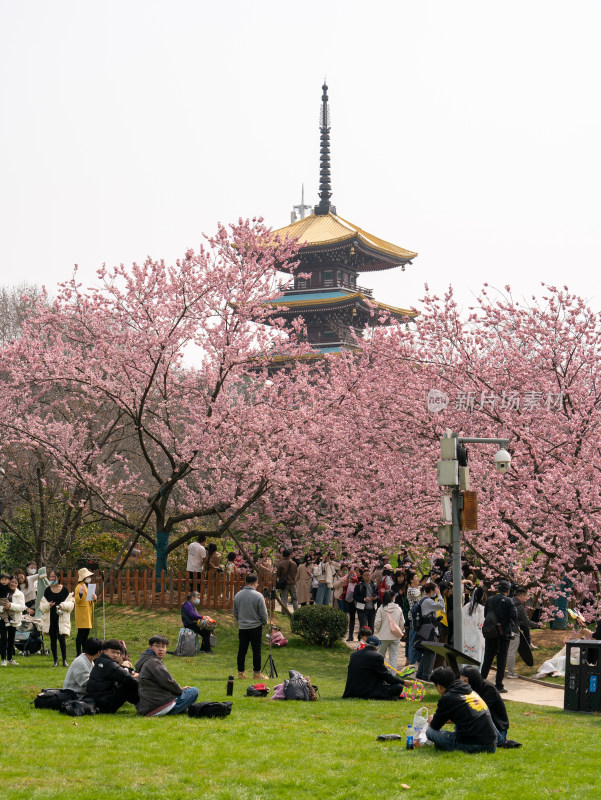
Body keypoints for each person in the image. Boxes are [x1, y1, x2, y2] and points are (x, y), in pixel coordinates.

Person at [425, 666, 497, 753]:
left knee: (430, 732)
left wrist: (432, 719)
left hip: (472, 745)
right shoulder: (469, 690)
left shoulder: (448, 697)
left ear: (439, 686)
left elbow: (435, 725)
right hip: (492, 744)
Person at [135, 635, 199, 716]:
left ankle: (183, 708)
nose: (161, 649)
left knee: (183, 694)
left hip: (148, 705)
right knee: (193, 691)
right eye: (157, 646)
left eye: (163, 646)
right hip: (158, 706)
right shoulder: (153, 662)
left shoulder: (145, 660)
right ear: (150, 647)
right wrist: (181, 690)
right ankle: (180, 709)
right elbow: (168, 682)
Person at [459, 665, 521, 748]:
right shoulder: (469, 691)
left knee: (477, 715)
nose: (463, 684)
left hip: (498, 734)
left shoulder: (488, 689)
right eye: (461, 682)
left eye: (466, 681)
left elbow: (476, 713)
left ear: (473, 680)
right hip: (482, 730)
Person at [342, 635, 412, 700]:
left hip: (352, 691)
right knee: (398, 687)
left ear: (366, 644)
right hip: (368, 691)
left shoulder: (354, 655)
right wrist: (403, 682)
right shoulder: (376, 657)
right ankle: (390, 696)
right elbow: (387, 677)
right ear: (377, 647)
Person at [481, 580, 518, 692]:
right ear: (507, 590)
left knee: (487, 658)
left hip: (490, 633)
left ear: (497, 589)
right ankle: (499, 685)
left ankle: (481, 682)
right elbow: (514, 616)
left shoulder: (489, 600)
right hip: (503, 634)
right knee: (501, 660)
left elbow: (485, 614)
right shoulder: (508, 601)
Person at [86, 639, 140, 713]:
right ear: (105, 651)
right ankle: (146, 706)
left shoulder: (100, 661)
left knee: (126, 683)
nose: (116, 655)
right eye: (113, 652)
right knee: (128, 685)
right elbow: (128, 678)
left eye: (118, 653)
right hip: (104, 705)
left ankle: (142, 704)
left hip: (96, 702)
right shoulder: (109, 664)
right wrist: (144, 686)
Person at [232, 573, 268, 680]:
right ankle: (257, 673)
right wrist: (263, 622)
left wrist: (240, 620)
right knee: (256, 650)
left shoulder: (238, 595)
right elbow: (263, 613)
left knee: (242, 650)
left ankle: (240, 673)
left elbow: (235, 612)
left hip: (243, 627)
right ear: (255, 583)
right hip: (255, 626)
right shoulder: (258, 596)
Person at [40, 569, 74, 667]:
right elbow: (42, 605)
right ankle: (55, 660)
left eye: (53, 577)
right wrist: (48, 605)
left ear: (58, 578)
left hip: (61, 618)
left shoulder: (64, 589)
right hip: (51, 618)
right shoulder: (47, 590)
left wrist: (63, 605)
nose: (51, 578)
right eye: (50, 577)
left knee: (61, 639)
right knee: (53, 640)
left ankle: (64, 660)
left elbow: (71, 603)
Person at [414, 582, 446, 681]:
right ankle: (426, 677)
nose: (436, 592)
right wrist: (439, 595)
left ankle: (420, 675)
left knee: (427, 652)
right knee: (430, 652)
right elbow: (441, 606)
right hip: (428, 630)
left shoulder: (423, 600)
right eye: (435, 590)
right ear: (432, 591)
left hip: (425, 628)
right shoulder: (427, 601)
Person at [506, 586, 533, 678]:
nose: (525, 599)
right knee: (511, 652)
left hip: (504, 630)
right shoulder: (520, 607)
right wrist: (538, 625)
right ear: (521, 595)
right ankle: (510, 673)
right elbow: (527, 622)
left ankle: (503, 671)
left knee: (505, 651)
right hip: (513, 631)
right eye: (525, 596)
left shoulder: (508, 602)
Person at [374, 590, 405, 669]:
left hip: (383, 636)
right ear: (393, 597)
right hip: (395, 637)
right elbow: (402, 623)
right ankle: (392, 677)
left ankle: (379, 676)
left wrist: (381, 630)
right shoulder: (398, 608)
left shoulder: (381, 609)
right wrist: (398, 630)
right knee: (393, 658)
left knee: (380, 657)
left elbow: (377, 623)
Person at [0, 575, 26, 666]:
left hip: (14, 618)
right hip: (2, 618)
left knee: (11, 639)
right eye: (12, 582)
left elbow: (22, 607)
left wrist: (11, 606)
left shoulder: (20, 594)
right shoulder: (3, 590)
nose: (13, 584)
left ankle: (10, 658)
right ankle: (3, 659)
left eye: (16, 583)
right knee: (3, 638)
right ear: (9, 582)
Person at [74, 567, 97, 656]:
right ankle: (78, 652)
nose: (89, 578)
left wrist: (94, 599)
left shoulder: (88, 586)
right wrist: (80, 593)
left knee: (86, 634)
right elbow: (76, 600)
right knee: (81, 633)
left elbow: (90, 599)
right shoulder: (79, 586)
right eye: (88, 576)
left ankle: (84, 651)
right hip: (82, 613)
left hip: (88, 612)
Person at [462, 585, 485, 666]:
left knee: (466, 654)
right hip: (477, 636)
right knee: (476, 656)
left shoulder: (466, 606)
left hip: (466, 635)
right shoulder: (481, 608)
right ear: (482, 596)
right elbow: (482, 623)